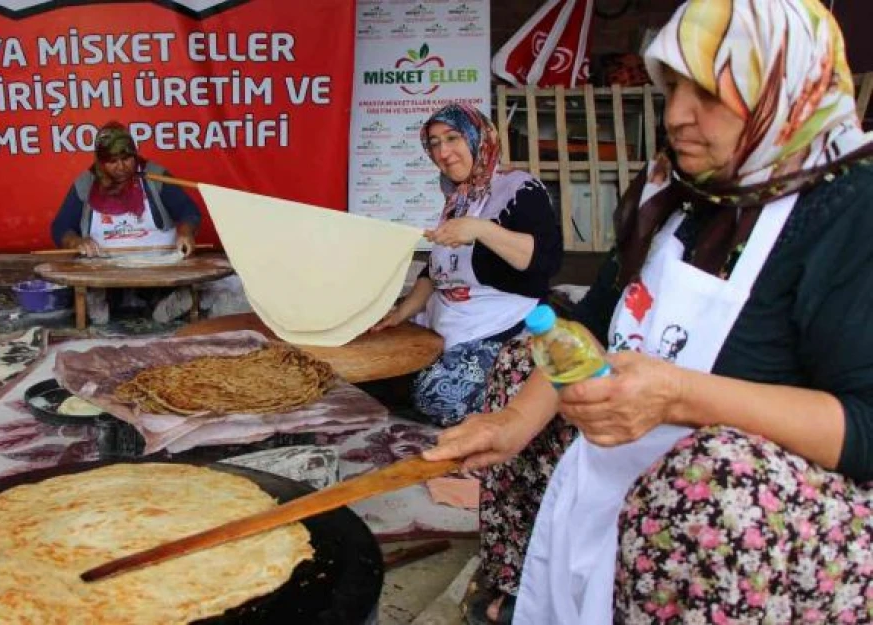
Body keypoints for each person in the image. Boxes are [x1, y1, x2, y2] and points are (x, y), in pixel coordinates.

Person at [425, 2, 873, 623]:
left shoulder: (849, 208)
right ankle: (522, 587)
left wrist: (679, 397)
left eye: (710, 93)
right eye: (673, 86)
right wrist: (510, 424)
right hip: (652, 432)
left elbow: (865, 428)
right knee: (521, 370)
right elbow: (598, 321)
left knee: (710, 475)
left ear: (785, 89)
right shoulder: (679, 190)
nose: (677, 115)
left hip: (762, 503)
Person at [372, 103, 562, 426]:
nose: (443, 152)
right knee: (378, 372)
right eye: (434, 143)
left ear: (478, 138)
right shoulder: (458, 197)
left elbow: (546, 258)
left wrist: (480, 230)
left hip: (500, 326)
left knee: (436, 397)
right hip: (447, 321)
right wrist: (401, 312)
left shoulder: (518, 189)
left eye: (452, 138)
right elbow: (435, 268)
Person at [50, 122, 202, 323]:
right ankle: (100, 300)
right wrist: (76, 242)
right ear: (100, 162)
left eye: (127, 158)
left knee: (164, 296)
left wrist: (185, 232)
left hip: (157, 267)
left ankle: (165, 302)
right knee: (100, 308)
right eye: (112, 161)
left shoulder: (154, 175)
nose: (121, 167)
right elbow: (60, 226)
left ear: (135, 154)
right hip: (105, 269)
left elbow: (188, 211)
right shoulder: (86, 183)